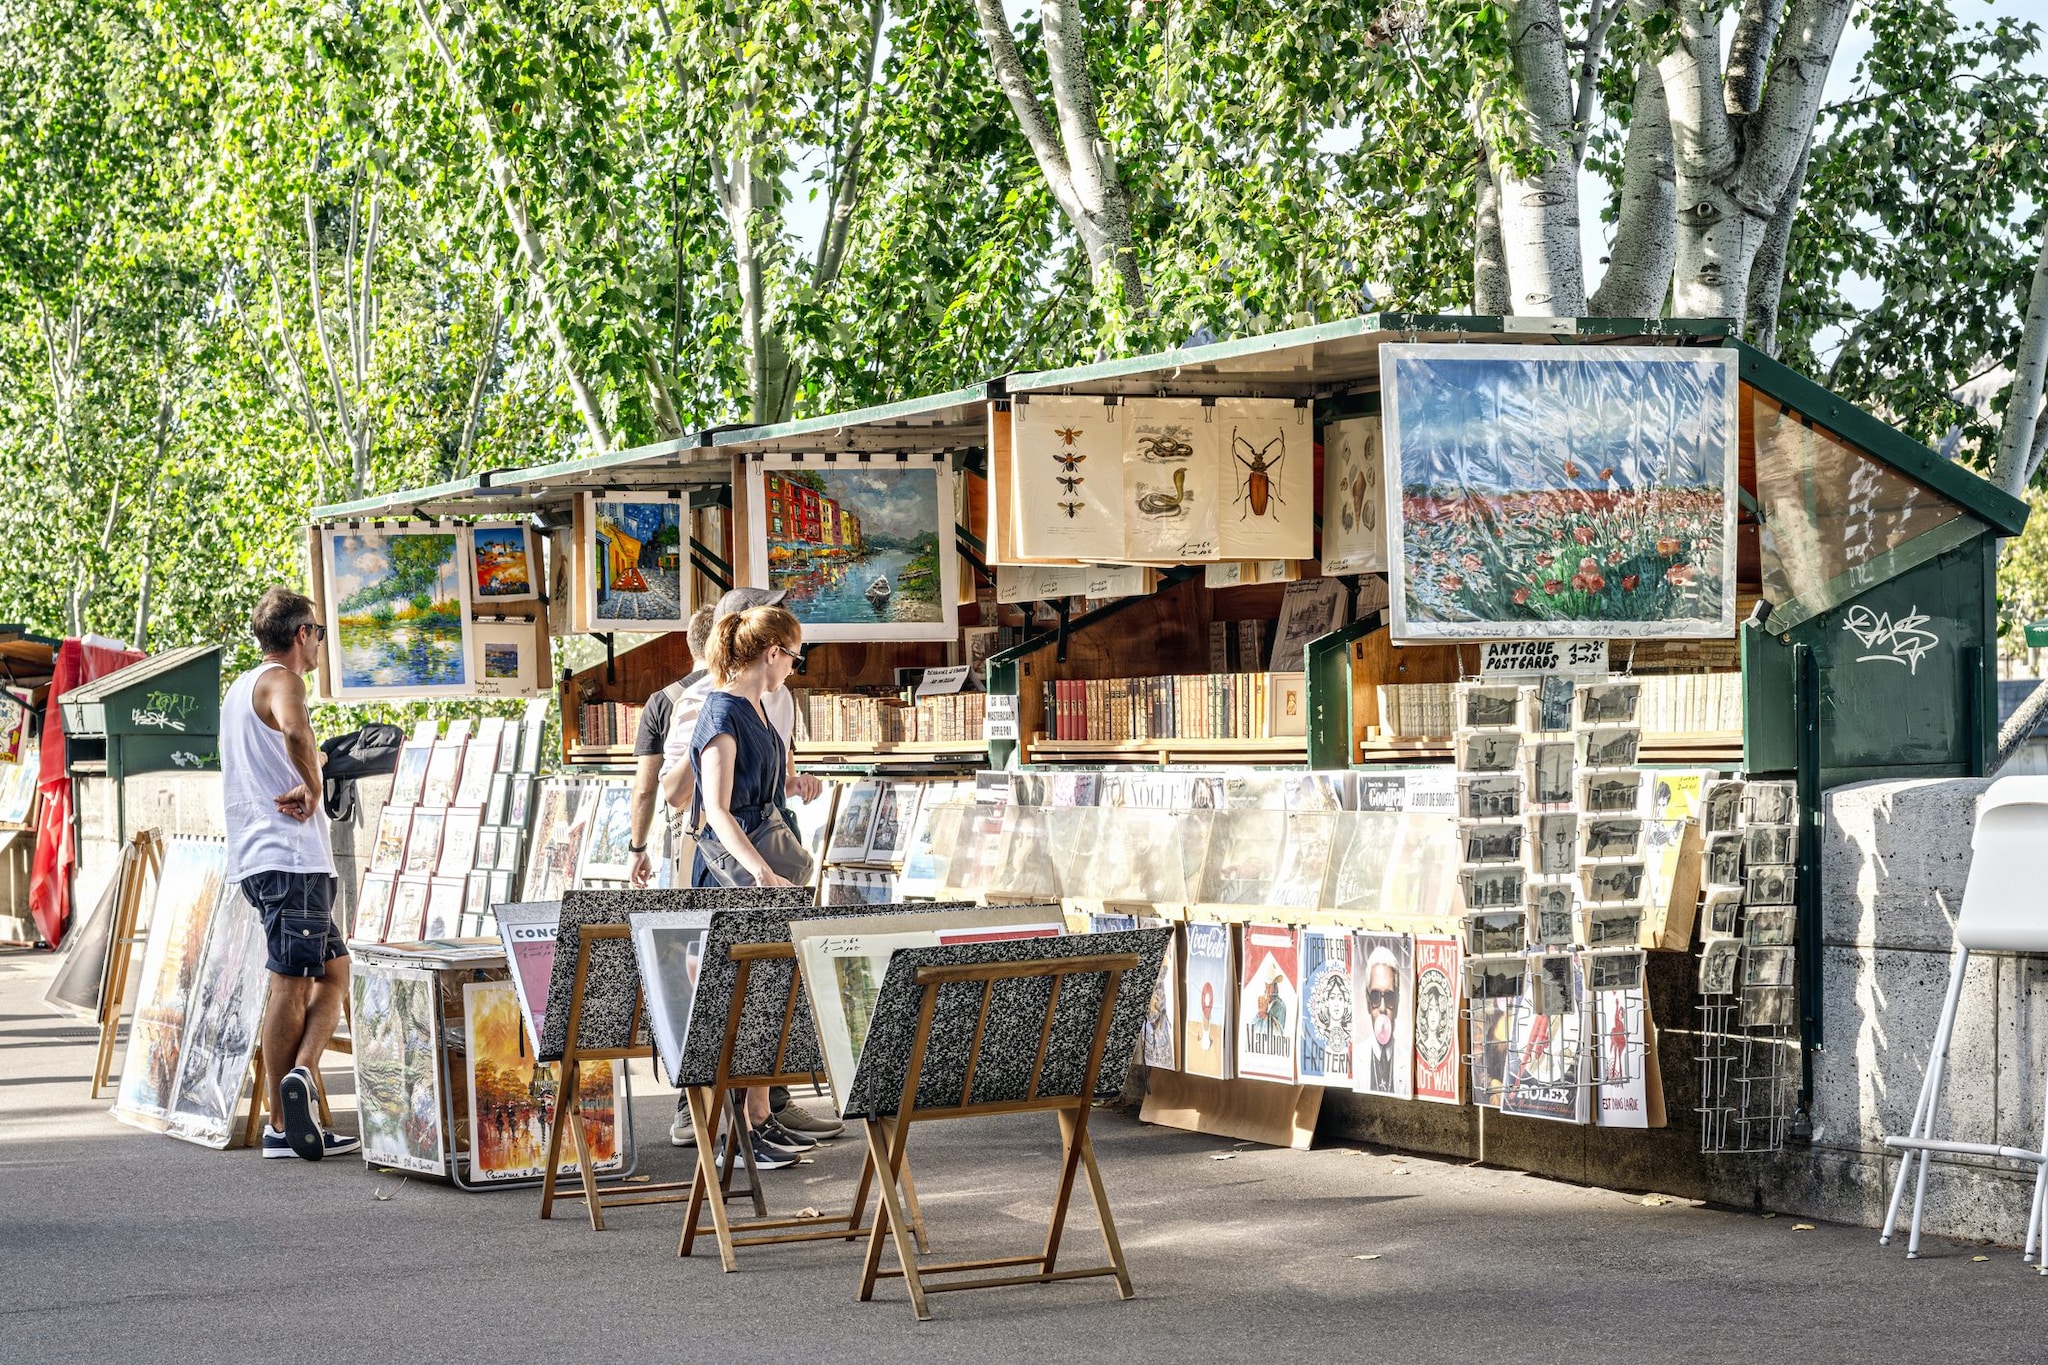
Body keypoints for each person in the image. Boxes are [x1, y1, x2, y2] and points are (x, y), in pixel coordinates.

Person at [658, 589, 841, 1149]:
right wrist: (760, 871)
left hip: (758, 867)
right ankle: (734, 1127)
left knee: (767, 992)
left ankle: (758, 1114)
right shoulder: (721, 710)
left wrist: (791, 786)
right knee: (737, 998)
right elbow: (716, 809)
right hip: (733, 873)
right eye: (794, 657)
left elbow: (758, 788)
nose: (794, 668)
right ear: (771, 653)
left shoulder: (760, 706)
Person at [225, 587, 360, 1161]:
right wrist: (312, 783)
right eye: (319, 632)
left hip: (270, 860)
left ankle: (299, 1077)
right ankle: (281, 1124)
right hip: (289, 860)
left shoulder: (240, 688)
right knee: (291, 981)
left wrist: (311, 766)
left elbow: (277, 753)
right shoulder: (284, 681)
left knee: (334, 969)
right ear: (302, 633)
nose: (320, 643)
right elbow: (296, 732)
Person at [626, 604, 715, 890]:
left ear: (691, 645)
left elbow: (644, 789)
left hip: (680, 836)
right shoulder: (750, 693)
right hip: (737, 840)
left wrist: (637, 848)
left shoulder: (661, 701)